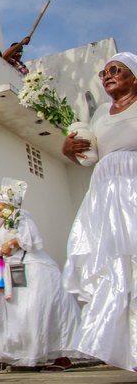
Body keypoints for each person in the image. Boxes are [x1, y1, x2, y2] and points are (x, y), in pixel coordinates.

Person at [61, 51, 137, 371]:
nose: (106, 76)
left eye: (115, 70)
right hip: (104, 197)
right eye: (103, 73)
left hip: (133, 188)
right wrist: (70, 150)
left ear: (134, 76)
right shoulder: (101, 114)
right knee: (115, 269)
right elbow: (89, 157)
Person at [0, 178, 80, 373]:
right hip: (5, 270)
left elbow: (32, 238)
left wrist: (12, 243)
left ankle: (59, 357)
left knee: (31, 311)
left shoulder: (21, 216)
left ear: (9, 204)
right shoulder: (4, 224)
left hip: (29, 269)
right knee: (8, 314)